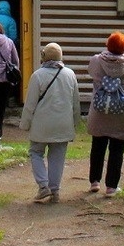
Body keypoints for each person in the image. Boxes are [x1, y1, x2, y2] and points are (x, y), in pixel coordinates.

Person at [19, 43, 79, 204]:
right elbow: (75, 102)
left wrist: (25, 124)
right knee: (57, 157)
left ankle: (43, 185)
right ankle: (55, 190)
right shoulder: (70, 74)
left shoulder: (37, 75)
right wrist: (75, 122)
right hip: (63, 124)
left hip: (41, 124)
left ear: (44, 56)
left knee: (36, 152)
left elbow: (30, 104)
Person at [86, 31, 124, 197]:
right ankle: (111, 186)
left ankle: (94, 182)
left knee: (97, 146)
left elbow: (90, 71)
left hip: (100, 109)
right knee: (117, 149)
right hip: (121, 111)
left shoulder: (97, 61)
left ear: (107, 45)